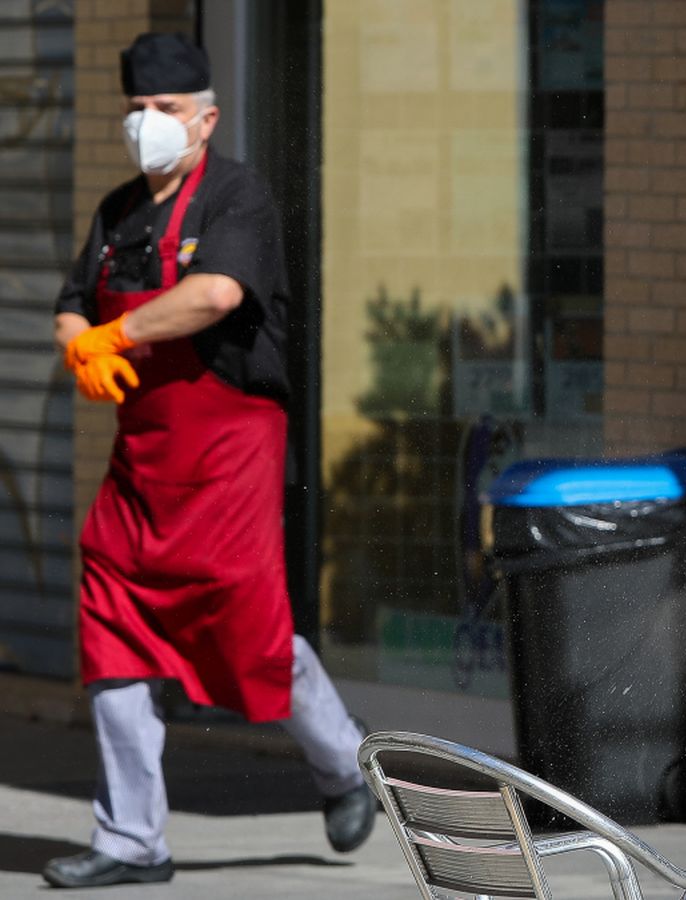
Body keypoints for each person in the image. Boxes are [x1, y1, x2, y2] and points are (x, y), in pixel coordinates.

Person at [43, 32, 373, 889]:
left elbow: (216, 293)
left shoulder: (238, 196)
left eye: (167, 108)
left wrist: (116, 333)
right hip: (142, 463)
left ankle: (345, 765)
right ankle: (130, 840)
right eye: (137, 108)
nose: (148, 122)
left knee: (248, 624)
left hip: (229, 452)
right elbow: (72, 302)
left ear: (207, 118)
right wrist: (79, 344)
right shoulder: (118, 212)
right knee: (111, 626)